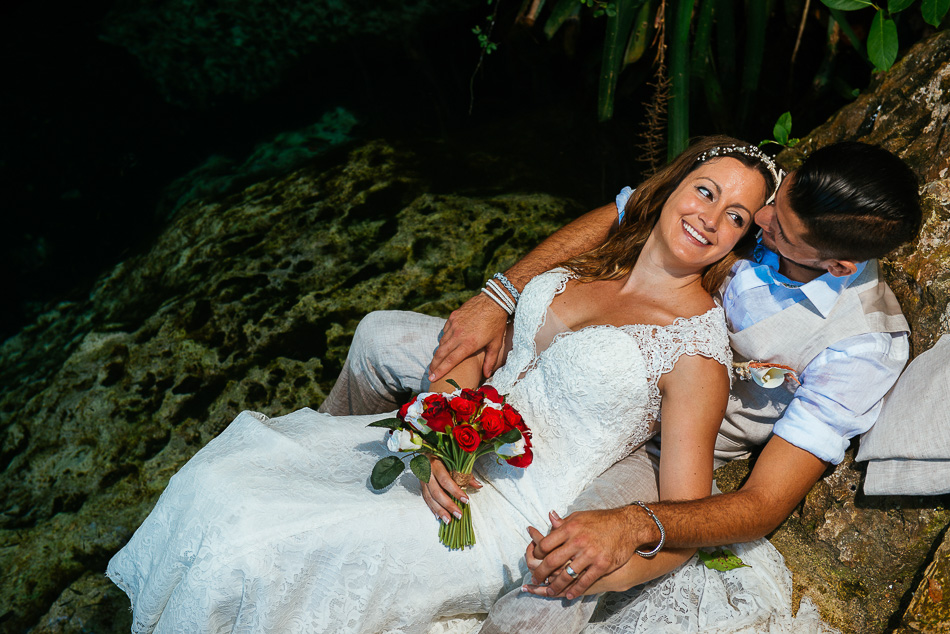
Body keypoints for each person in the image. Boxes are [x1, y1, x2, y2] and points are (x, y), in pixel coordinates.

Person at [106, 136, 777, 633]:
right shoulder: (591, 260)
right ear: (672, 187)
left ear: (740, 240)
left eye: (738, 217)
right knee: (222, 486)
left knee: (254, 542)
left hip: (505, 519)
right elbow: (478, 362)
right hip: (449, 457)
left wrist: (592, 565)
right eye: (707, 191)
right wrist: (434, 432)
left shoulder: (694, 351)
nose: (711, 218)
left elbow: (682, 522)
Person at [319, 141, 921, 632]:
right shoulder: (764, 195)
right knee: (379, 338)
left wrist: (633, 523)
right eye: (770, 203)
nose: (758, 220)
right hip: (582, 358)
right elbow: (629, 210)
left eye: (778, 226)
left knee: (562, 572)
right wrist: (499, 297)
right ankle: (330, 464)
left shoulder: (859, 347)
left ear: (839, 264)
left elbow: (764, 504)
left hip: (662, 445)